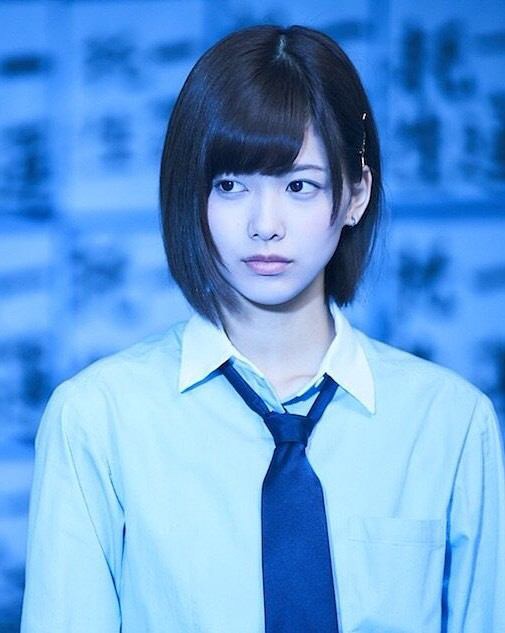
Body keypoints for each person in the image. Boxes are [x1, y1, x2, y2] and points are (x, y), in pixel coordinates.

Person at [20, 24, 505, 633]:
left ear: (356, 194)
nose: (265, 223)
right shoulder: (99, 420)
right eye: (230, 186)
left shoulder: (449, 423)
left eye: (300, 186)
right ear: (191, 197)